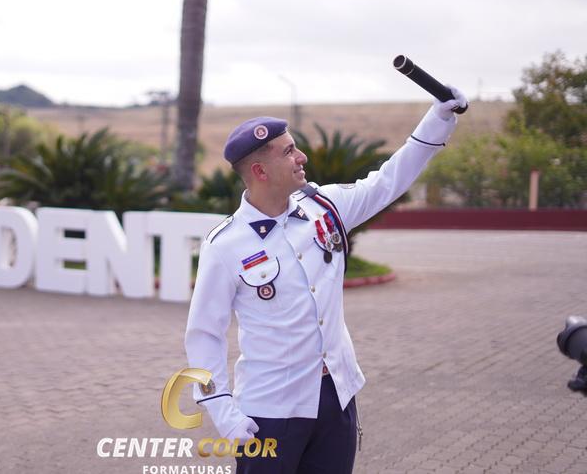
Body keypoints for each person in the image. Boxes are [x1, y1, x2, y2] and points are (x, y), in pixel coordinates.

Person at [184, 88, 467, 474]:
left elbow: (388, 181)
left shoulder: (325, 208)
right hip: (270, 411)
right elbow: (205, 334)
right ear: (260, 172)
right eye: (288, 152)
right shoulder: (225, 245)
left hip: (336, 398)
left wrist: (439, 118)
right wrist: (223, 413)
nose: (301, 157)